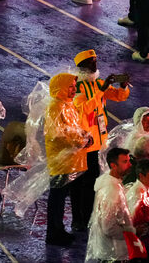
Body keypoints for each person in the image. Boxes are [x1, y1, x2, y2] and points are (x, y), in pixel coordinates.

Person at [72, 49, 130, 230]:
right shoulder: (77, 87)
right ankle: (78, 219)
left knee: (91, 182)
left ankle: (87, 216)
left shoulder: (98, 83)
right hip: (83, 143)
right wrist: (101, 91)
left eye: (96, 61)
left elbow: (119, 96)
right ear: (82, 67)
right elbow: (84, 109)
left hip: (98, 141)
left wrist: (123, 86)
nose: (95, 65)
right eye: (91, 62)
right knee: (80, 183)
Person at [44, 72, 92, 247]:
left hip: (70, 159)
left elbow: (75, 127)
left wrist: (85, 135)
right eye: (70, 86)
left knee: (61, 197)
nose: (74, 89)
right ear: (62, 87)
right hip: (60, 160)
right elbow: (57, 134)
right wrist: (82, 140)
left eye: (74, 86)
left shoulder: (67, 105)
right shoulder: (55, 107)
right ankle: (53, 233)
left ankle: (58, 230)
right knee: (57, 197)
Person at [85, 147, 138, 263]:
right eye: (125, 162)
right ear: (113, 165)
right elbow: (109, 227)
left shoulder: (109, 181)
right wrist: (130, 233)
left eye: (129, 161)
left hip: (108, 250)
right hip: (113, 253)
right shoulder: (112, 190)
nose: (129, 165)